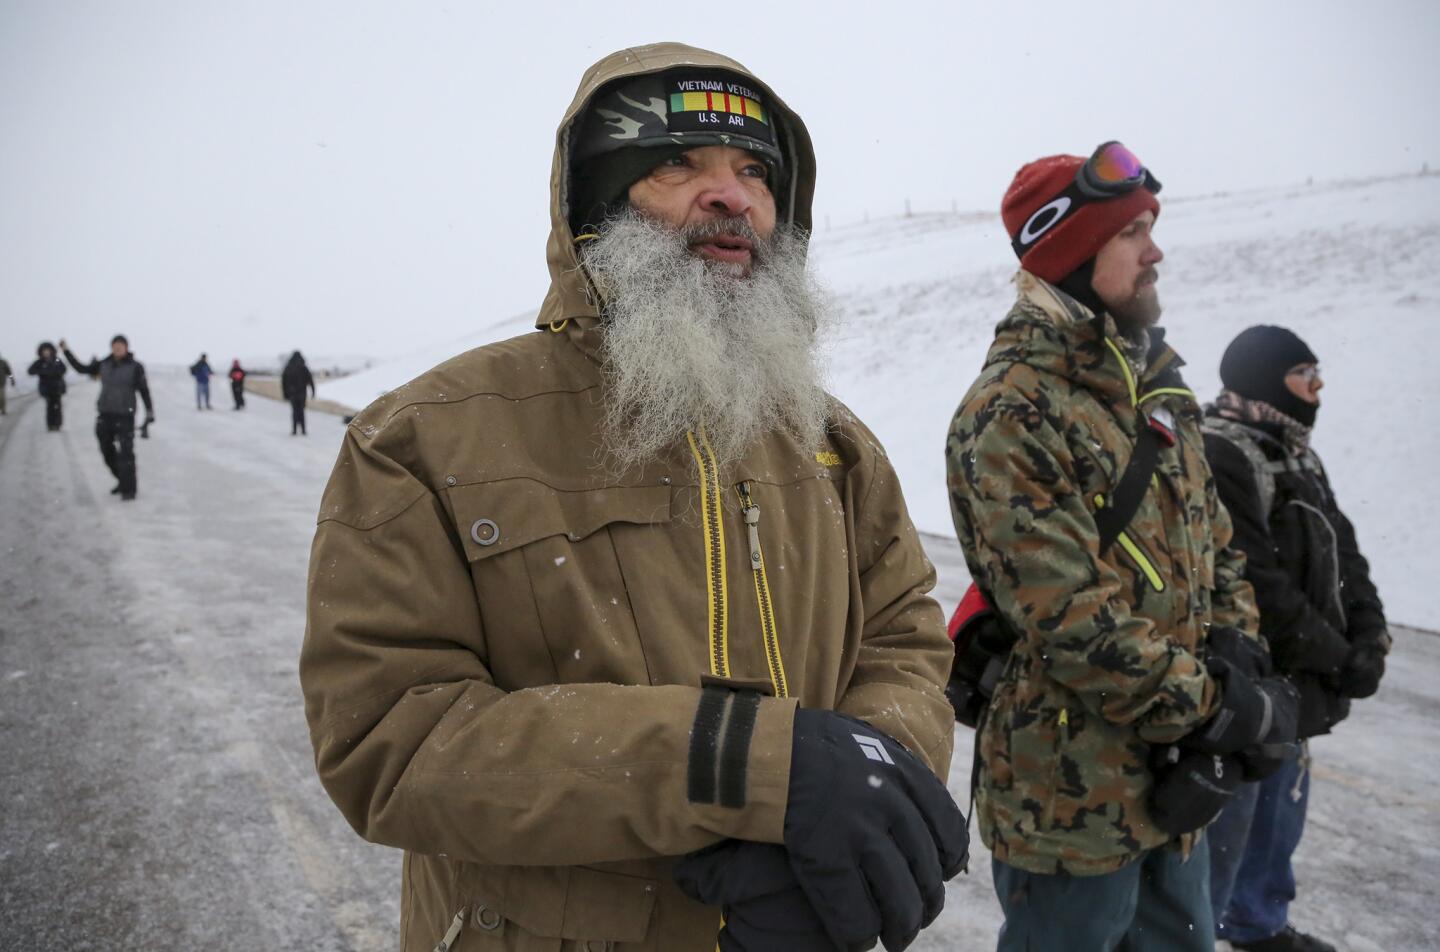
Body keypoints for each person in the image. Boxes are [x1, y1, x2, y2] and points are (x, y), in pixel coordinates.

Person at [301, 42, 967, 952]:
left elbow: (902, 640)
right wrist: (747, 767)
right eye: (676, 163)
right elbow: (391, 741)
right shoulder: (425, 437)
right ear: (595, 206)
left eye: (754, 173)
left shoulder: (834, 446)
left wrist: (853, 786)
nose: (731, 196)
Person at [945, 143, 1297, 952]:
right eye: (1132, 232)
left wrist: (1239, 653)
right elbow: (1067, 616)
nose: (1156, 250)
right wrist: (1214, 710)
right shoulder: (1012, 411)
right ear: (1070, 252)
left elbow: (1217, 546)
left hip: (1173, 788)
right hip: (1069, 801)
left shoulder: (1158, 391)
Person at [1202, 327, 1389, 952]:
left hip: (1300, 679)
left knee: (1279, 816)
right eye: (1302, 373)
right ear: (1262, 377)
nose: (1317, 386)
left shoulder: (1296, 451)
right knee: (1228, 824)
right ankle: (1200, 932)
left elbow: (1346, 550)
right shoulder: (1220, 452)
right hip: (1249, 680)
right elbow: (1259, 582)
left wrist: (1370, 631)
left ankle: (1256, 926)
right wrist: (1338, 658)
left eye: (1316, 372)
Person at [60, 335, 153, 500]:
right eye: (115, 346)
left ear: (126, 348)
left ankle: (129, 490)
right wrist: (66, 351)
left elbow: (144, 391)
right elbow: (81, 368)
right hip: (105, 415)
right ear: (111, 347)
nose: (117, 349)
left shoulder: (135, 367)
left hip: (125, 416)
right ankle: (122, 480)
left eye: (120, 346)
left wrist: (149, 411)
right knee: (107, 452)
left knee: (126, 454)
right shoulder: (104, 364)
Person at [28, 341, 69, 430]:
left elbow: (64, 369)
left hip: (57, 387)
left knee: (57, 407)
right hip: (46, 389)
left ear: (51, 351)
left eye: (48, 350)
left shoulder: (56, 359)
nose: (46, 352)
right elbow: (30, 371)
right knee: (50, 407)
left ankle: (57, 424)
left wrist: (56, 373)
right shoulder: (39, 362)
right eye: (44, 351)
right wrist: (42, 372)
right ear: (41, 352)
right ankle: (50, 425)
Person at [281, 351, 314, 435]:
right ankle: (303, 430)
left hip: (292, 394)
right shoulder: (303, 367)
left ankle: (294, 430)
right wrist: (313, 392)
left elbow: (283, 382)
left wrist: (285, 394)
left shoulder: (288, 367)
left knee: (294, 411)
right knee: (301, 411)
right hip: (302, 394)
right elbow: (310, 380)